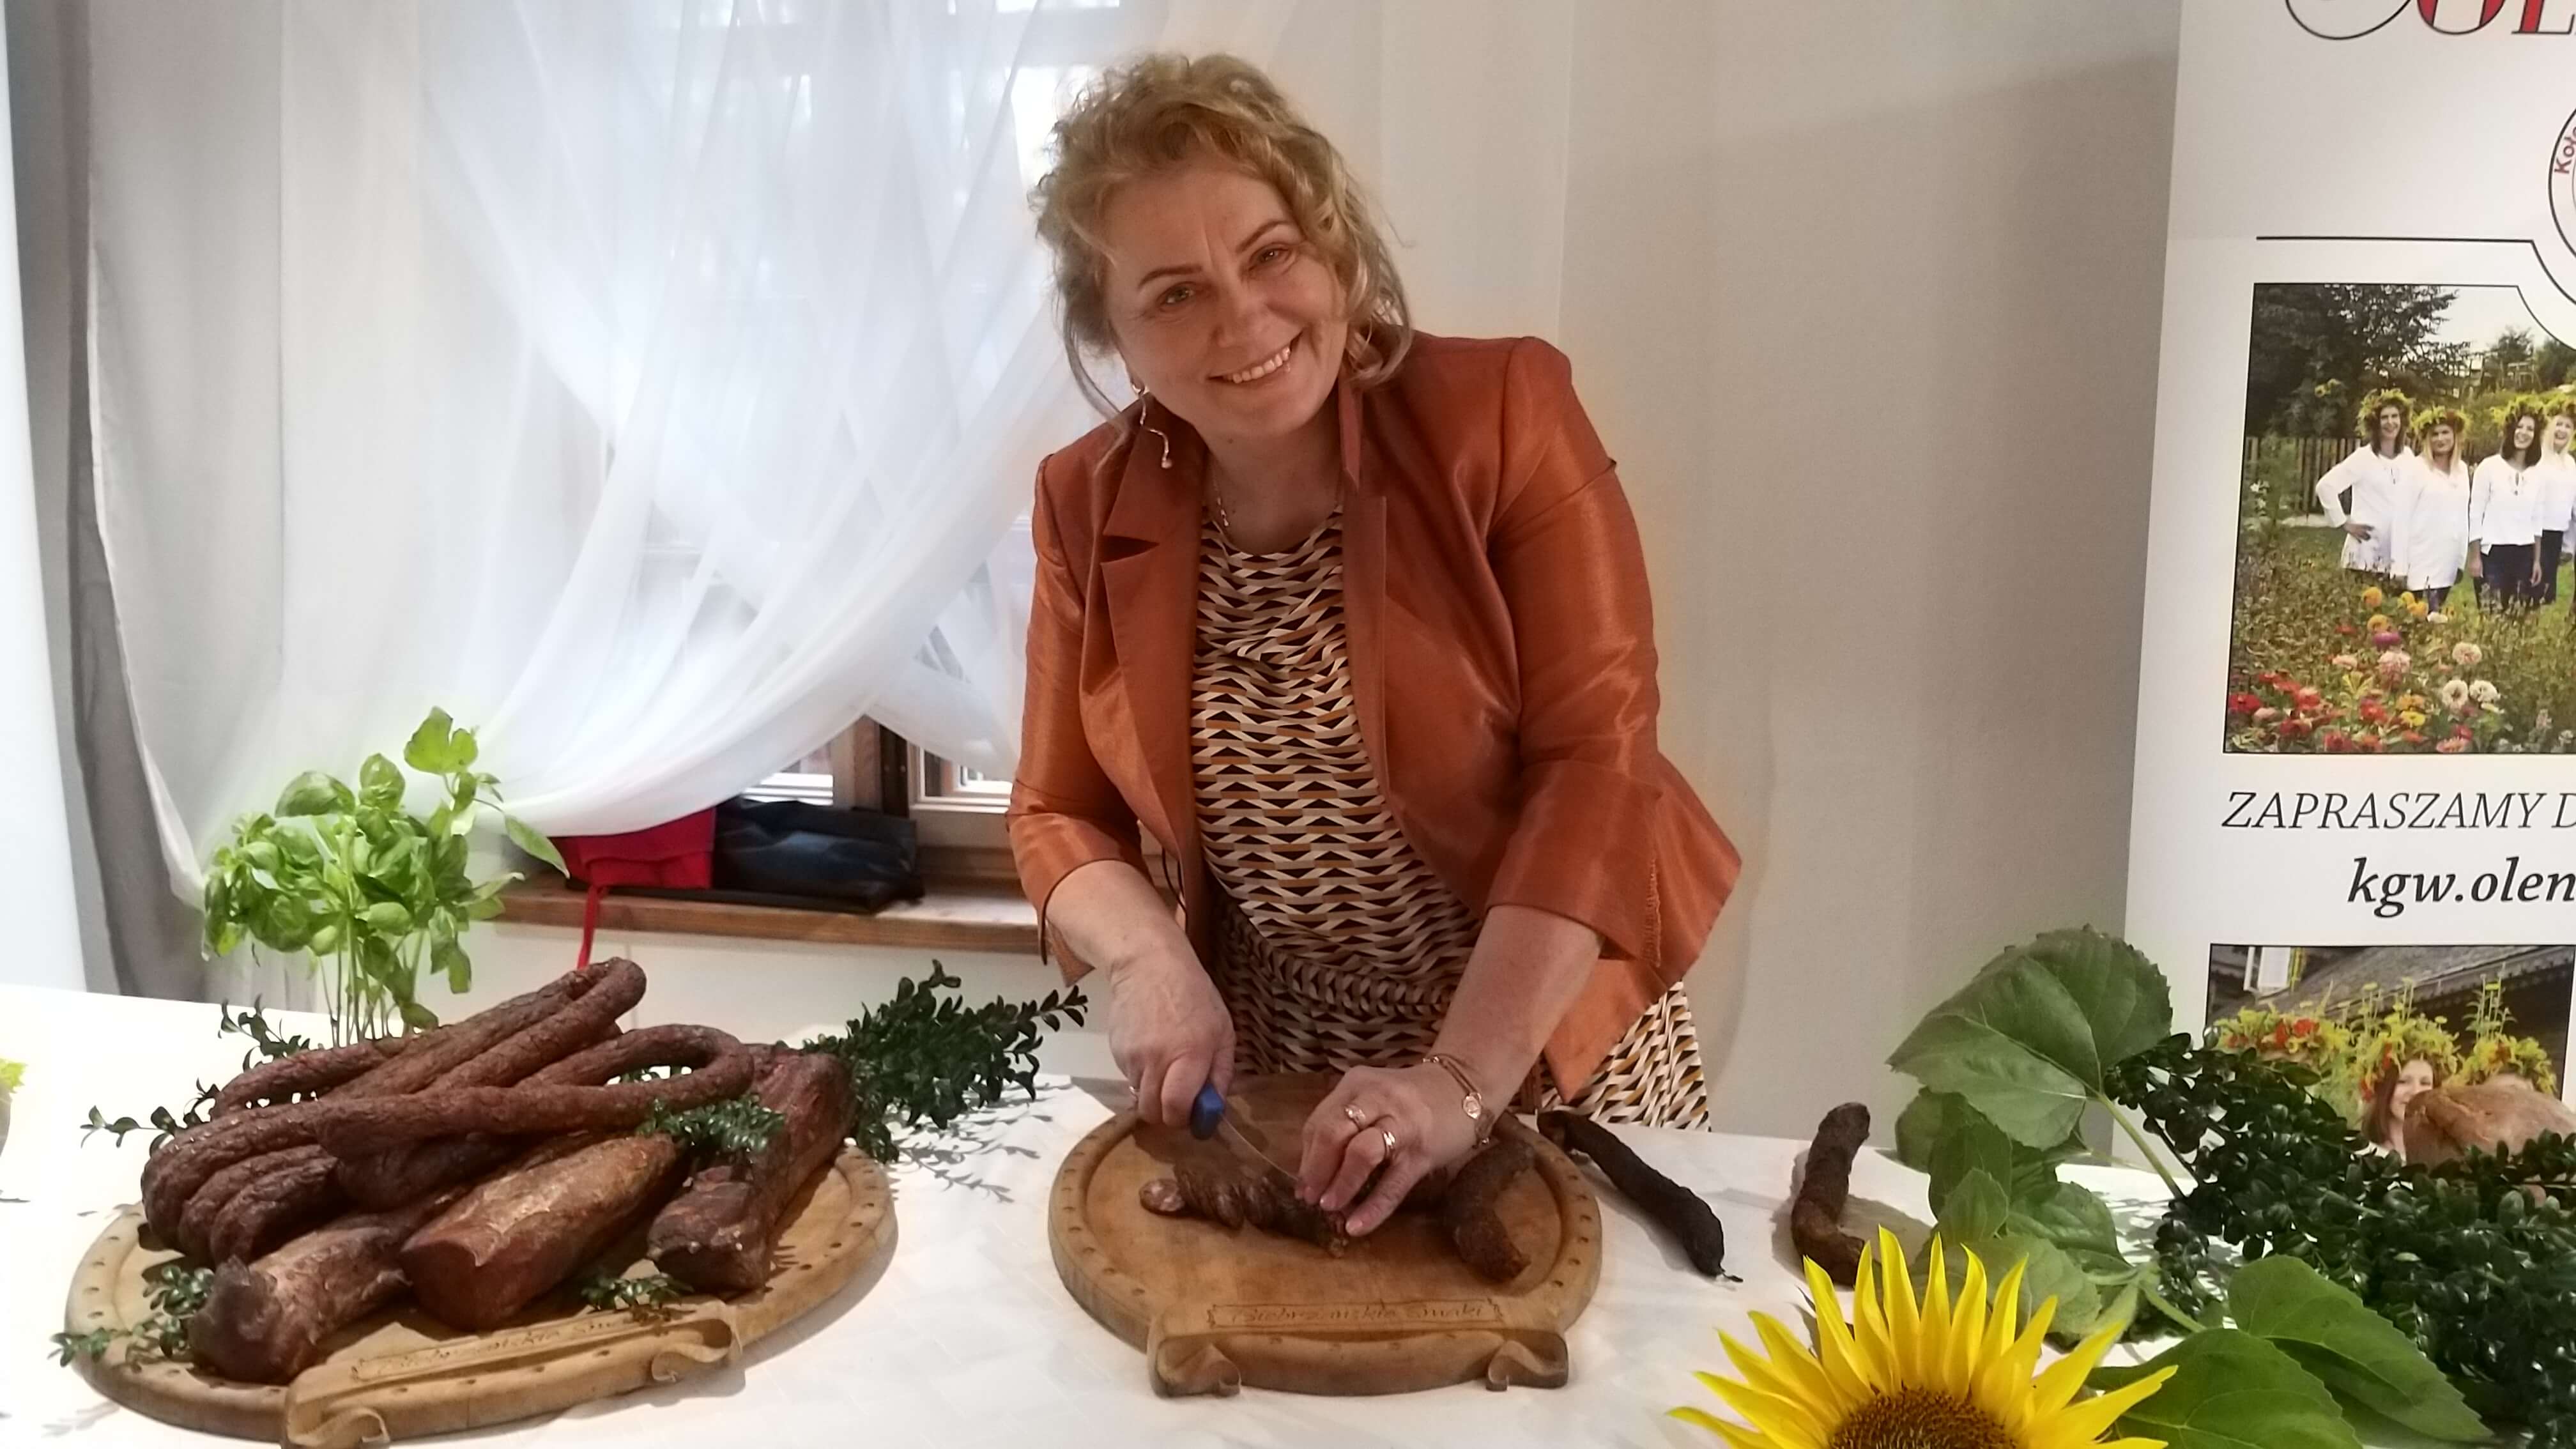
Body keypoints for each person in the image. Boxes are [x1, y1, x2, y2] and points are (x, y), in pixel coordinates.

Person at [1009, 54, 1739, 1238]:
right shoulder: (1082, 501)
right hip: (1285, 1058)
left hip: (1538, 1034)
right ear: (1118, 341)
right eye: (1176, 294)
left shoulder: (1504, 412)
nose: (1244, 318)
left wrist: (1458, 1080)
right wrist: (1144, 957)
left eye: (1270, 254)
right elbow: (1056, 811)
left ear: (1334, 247)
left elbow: (1597, 772)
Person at [2313, 390, 2412, 576]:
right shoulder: (2363, 458)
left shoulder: (2408, 457)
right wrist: (2344, 522)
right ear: (2375, 423)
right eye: (2384, 418)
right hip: (2364, 555)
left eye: (2395, 416)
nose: (2390, 422)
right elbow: (2325, 487)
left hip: (2396, 557)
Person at [2391, 407, 2471, 611]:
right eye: (2435, 434)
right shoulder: (2416, 468)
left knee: (2438, 617)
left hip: (2447, 560)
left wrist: (2460, 560)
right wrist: (2399, 567)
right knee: (2415, 616)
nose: (2440, 439)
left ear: (2455, 436)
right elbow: (2401, 518)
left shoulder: (2461, 470)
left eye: (2445, 433)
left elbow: (2463, 517)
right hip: (2420, 559)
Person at [2472, 401, 2548, 611]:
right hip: (2493, 554)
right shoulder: (2489, 467)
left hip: (2524, 554)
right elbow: (2475, 513)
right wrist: (2475, 557)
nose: (2524, 433)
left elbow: (2537, 520)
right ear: (2510, 430)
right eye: (2519, 427)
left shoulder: (2538, 475)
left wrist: (2536, 561)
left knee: (2517, 617)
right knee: (2492, 615)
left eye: (2530, 429)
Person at [2361, 1055, 2441, 1162]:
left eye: (2425, 1083)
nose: (2416, 1092)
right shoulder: (2356, 1155)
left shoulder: (2446, 1160)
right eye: (2403, 1081)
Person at [2538, 401, 2576, 606]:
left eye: (2568, 426)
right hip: (2534, 534)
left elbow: (2573, 509)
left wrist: (2569, 545)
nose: (2562, 430)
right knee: (2529, 590)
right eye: (2559, 424)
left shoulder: (2570, 464)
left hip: (2556, 536)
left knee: (2546, 593)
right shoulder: (2537, 458)